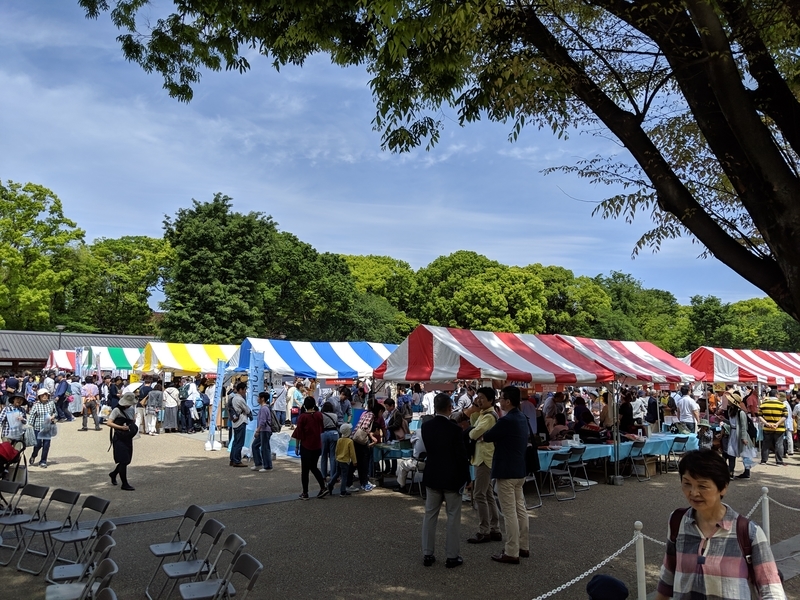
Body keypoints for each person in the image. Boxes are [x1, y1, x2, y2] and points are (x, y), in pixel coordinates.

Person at [654, 449, 785, 599]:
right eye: (687, 484)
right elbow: (668, 577)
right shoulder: (677, 521)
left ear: (723, 487)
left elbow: (772, 589)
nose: (694, 492)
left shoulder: (748, 532)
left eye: (702, 486)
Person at [420, 392, 470, 569]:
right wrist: (467, 477)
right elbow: (461, 456)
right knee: (453, 517)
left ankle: (427, 553)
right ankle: (452, 555)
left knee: (430, 515)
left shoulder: (426, 427)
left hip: (433, 474)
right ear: (450, 408)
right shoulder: (455, 430)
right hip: (452, 477)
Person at [483, 386, 530, 565]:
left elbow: (487, 436)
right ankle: (523, 545)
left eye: (501, 398)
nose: (499, 401)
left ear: (507, 400)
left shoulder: (507, 420)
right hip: (519, 469)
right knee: (520, 509)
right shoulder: (521, 418)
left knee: (510, 513)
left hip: (506, 470)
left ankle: (512, 550)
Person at [466, 387, 502, 545]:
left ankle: (484, 530)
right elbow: (473, 426)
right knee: (487, 494)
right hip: (482, 457)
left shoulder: (489, 417)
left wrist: (473, 433)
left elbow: (473, 433)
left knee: (479, 494)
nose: (479, 400)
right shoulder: (483, 414)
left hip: (484, 458)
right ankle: (494, 528)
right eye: (477, 397)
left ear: (491, 400)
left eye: (482, 398)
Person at [291, 396, 328, 500]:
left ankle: (305, 493)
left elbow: (299, 433)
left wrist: (297, 446)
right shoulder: (319, 415)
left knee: (305, 470)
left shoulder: (303, 417)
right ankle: (323, 487)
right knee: (314, 467)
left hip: (306, 446)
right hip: (317, 445)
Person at [106, 392, 138, 491]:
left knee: (127, 460)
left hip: (128, 437)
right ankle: (124, 483)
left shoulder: (132, 409)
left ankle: (114, 473)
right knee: (123, 460)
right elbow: (109, 423)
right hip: (119, 437)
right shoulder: (116, 410)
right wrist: (121, 427)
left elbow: (132, 420)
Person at [722, 393, 758, 479]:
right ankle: (731, 472)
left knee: (745, 454)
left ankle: (746, 472)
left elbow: (743, 426)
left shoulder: (741, 412)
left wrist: (744, 437)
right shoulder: (731, 410)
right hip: (733, 434)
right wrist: (724, 420)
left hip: (739, 435)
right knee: (731, 453)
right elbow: (732, 424)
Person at [327, 423, 358, 497]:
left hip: (338, 460)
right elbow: (352, 453)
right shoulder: (350, 441)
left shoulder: (339, 440)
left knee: (337, 473)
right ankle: (342, 491)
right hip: (345, 461)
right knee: (344, 476)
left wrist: (336, 457)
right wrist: (354, 461)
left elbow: (336, 450)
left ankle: (330, 484)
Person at [759, 390, 788, 467]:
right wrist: (777, 424)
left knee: (766, 444)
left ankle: (763, 460)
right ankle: (779, 462)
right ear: (777, 395)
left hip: (767, 428)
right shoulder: (782, 405)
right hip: (779, 428)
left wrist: (766, 423)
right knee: (779, 444)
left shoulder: (763, 404)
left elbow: (759, 415)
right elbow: (785, 416)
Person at [29, 388, 57, 468]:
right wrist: (29, 426)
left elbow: (55, 412)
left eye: (46, 395)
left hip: (47, 427)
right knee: (37, 444)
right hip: (37, 428)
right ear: (39, 396)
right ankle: (34, 455)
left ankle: (43, 461)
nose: (45, 396)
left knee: (46, 445)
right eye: (43, 395)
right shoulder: (36, 406)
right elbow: (31, 417)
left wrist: (53, 416)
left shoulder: (51, 403)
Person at [229, 382, 251, 467]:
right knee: (240, 442)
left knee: (235, 442)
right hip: (241, 421)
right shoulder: (240, 399)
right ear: (241, 390)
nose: (245, 391)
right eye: (244, 390)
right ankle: (237, 460)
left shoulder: (233, 398)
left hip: (235, 422)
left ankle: (232, 459)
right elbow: (247, 410)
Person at [250, 392, 274, 472]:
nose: (257, 399)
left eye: (258, 397)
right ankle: (258, 463)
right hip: (263, 430)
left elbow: (263, 421)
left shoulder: (264, 408)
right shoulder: (264, 408)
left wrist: (258, 430)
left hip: (265, 430)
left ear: (262, 398)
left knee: (265, 448)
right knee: (255, 445)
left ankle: (268, 466)